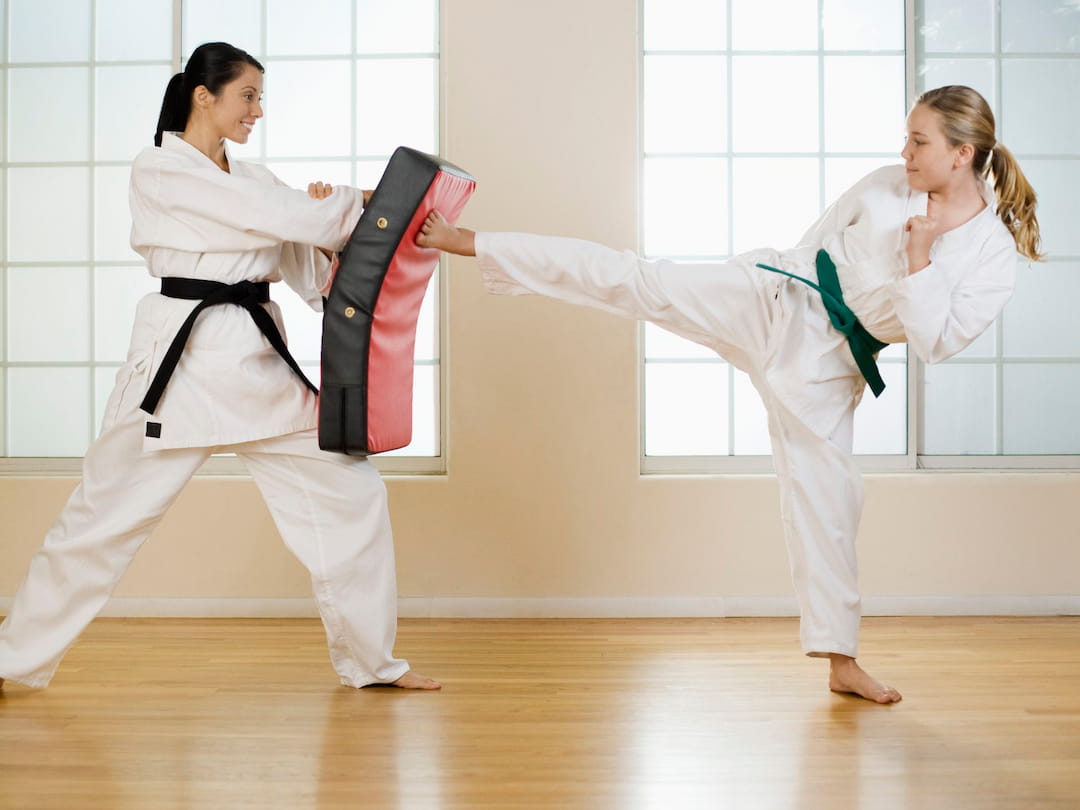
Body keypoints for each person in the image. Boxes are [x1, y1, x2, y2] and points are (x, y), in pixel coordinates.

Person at [415, 85, 1042, 704]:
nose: (903, 150)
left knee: (831, 504)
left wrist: (919, 258)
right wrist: (786, 289)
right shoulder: (885, 182)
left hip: (829, 369)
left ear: (961, 154)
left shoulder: (992, 254)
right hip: (775, 298)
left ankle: (842, 663)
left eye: (918, 140)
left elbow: (935, 343)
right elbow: (815, 241)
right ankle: (471, 242)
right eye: (906, 136)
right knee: (638, 279)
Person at [0, 42, 439, 691]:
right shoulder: (160, 169)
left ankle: (372, 663)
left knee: (353, 495)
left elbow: (309, 271)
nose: (258, 110)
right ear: (205, 96)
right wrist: (364, 205)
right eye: (248, 95)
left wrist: (329, 229)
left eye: (261, 98)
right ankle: (10, 660)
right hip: (177, 371)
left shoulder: (254, 179)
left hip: (259, 367)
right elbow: (284, 218)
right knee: (97, 524)